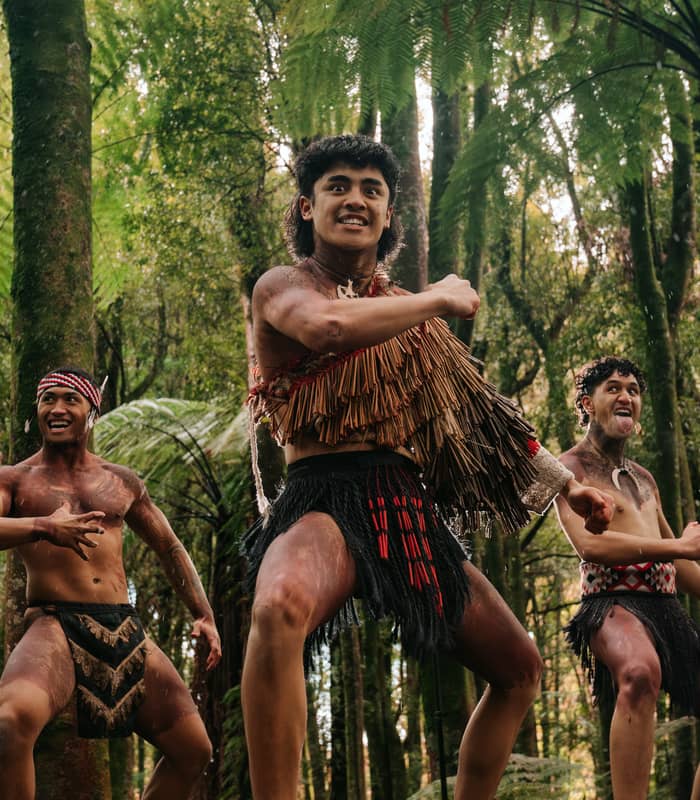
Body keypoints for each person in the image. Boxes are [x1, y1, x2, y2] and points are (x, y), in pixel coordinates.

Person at [243, 134, 613, 800]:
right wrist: (440, 298)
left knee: (520, 668)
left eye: (372, 190)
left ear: (388, 218)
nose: (355, 198)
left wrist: (570, 488)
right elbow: (327, 327)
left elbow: (485, 419)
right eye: (337, 186)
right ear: (306, 206)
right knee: (278, 606)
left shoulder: (411, 312)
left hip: (404, 509)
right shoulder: (284, 287)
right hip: (323, 498)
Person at [0, 366, 222, 800]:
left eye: (70, 400)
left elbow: (170, 547)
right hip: (54, 625)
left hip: (124, 628)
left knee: (194, 750)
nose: (57, 409)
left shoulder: (121, 481)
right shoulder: (14, 479)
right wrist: (43, 526)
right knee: (10, 723)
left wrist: (204, 614)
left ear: (92, 412)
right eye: (48, 400)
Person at [555, 356, 700, 800]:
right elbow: (592, 547)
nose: (626, 396)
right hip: (612, 604)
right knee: (639, 672)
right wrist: (678, 547)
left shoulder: (645, 479)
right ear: (587, 402)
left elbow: (683, 565)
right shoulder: (568, 469)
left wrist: (680, 552)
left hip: (666, 608)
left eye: (634, 390)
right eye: (613, 387)